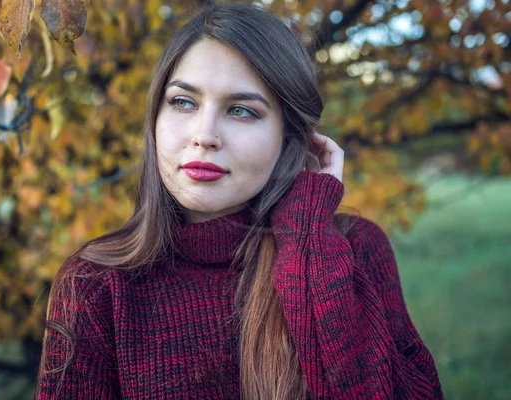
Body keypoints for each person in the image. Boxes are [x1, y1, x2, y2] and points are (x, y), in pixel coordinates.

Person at [36, 3, 443, 399]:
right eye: (182, 102)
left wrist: (307, 242)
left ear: (288, 136)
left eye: (241, 110)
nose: (204, 134)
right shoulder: (96, 285)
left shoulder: (354, 249)